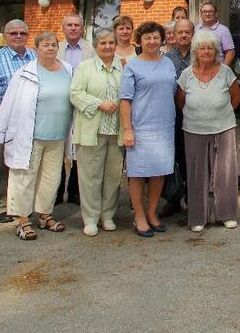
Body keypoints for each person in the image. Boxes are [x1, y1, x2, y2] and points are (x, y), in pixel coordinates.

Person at [0, 31, 75, 240]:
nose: (50, 48)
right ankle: (22, 220)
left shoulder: (68, 70)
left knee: (51, 178)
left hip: (57, 135)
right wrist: (0, 132)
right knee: (24, 178)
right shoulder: (25, 73)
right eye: (46, 45)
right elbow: (9, 102)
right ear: (37, 48)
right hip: (31, 135)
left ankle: (45, 215)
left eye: (54, 44)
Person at [176, 30, 240, 233]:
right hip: (194, 129)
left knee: (226, 173)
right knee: (196, 174)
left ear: (216, 51)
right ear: (196, 51)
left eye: (210, 48)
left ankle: (226, 214)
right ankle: (197, 217)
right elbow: (180, 101)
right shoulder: (186, 74)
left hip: (224, 127)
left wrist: (220, 113)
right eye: (202, 48)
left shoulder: (225, 72)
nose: (206, 51)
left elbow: (236, 98)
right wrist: (198, 114)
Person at [120, 21, 178, 237]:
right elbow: (125, 100)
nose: (152, 41)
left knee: (159, 171)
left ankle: (153, 213)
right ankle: (139, 216)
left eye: (155, 37)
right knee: (137, 174)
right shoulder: (132, 66)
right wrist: (127, 129)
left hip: (164, 126)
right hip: (141, 127)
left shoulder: (168, 63)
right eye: (147, 38)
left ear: (161, 39)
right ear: (140, 41)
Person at [69, 28, 125, 237]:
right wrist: (99, 103)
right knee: (90, 176)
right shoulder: (85, 67)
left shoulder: (122, 66)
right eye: (103, 43)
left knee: (112, 175)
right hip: (92, 130)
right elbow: (75, 94)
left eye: (111, 43)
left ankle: (107, 215)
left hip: (116, 130)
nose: (108, 47)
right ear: (95, 47)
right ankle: (90, 218)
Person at [0, 19, 36, 223]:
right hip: (2, 113)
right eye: (13, 33)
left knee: (26, 162)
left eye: (22, 33)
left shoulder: (35, 55)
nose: (18, 36)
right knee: (0, 162)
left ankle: (23, 204)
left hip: (30, 116)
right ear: (5, 35)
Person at [57, 13, 93, 205]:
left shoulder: (90, 49)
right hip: (59, 103)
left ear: (82, 28)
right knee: (58, 147)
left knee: (79, 146)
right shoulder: (56, 49)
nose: (73, 28)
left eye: (76, 25)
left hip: (82, 104)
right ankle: (56, 191)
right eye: (69, 25)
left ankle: (74, 191)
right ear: (63, 28)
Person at [164, 18, 195, 215]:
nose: (183, 35)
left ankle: (192, 199)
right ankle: (173, 199)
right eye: (180, 32)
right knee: (173, 156)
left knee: (191, 157)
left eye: (187, 32)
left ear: (193, 34)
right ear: (173, 35)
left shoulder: (200, 54)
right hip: (172, 116)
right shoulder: (166, 58)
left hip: (194, 114)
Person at [196, 2, 236, 67]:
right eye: (204, 11)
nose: (207, 14)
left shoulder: (223, 30)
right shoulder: (196, 29)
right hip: (200, 70)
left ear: (216, 14)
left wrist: (223, 70)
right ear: (201, 14)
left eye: (210, 11)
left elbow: (230, 52)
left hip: (217, 70)